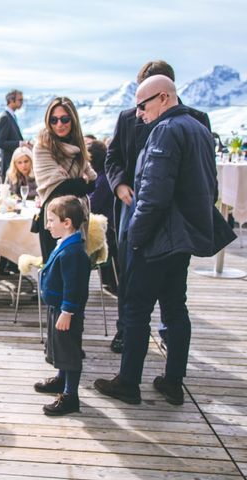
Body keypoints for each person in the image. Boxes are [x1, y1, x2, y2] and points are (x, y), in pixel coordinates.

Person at [94, 75, 234, 406]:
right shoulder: (199, 127)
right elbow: (208, 187)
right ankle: (173, 381)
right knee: (175, 307)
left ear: (163, 98)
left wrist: (135, 238)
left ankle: (128, 382)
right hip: (182, 239)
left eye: (142, 106)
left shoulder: (166, 131)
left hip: (157, 239)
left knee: (135, 309)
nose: (138, 114)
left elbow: (153, 195)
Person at [104, 60, 212, 354]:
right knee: (128, 276)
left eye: (145, 102)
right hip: (132, 206)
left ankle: (159, 340)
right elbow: (112, 159)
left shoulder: (196, 119)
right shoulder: (127, 118)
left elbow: (204, 173)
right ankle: (125, 331)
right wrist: (119, 185)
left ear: (165, 91)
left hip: (173, 217)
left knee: (171, 291)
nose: (141, 111)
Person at [34, 195, 91, 416]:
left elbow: (73, 286)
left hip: (66, 311)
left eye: (50, 221)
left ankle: (70, 396)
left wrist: (67, 311)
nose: (47, 225)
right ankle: (61, 379)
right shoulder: (65, 244)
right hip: (57, 308)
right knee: (59, 347)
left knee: (69, 351)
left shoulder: (73, 252)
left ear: (66, 223)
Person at [33, 97, 97, 263]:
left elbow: (92, 183)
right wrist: (80, 182)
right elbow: (58, 188)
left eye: (65, 119)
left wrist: (76, 183)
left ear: (73, 120)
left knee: (76, 273)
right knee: (55, 275)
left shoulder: (79, 145)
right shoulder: (42, 146)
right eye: (54, 120)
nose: (59, 124)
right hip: (54, 217)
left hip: (78, 218)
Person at [0, 146, 37, 276]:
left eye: (26, 161)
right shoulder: (11, 175)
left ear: (31, 161)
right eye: (19, 162)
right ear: (15, 164)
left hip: (32, 213)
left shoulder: (37, 174)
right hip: (15, 211)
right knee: (7, 230)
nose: (23, 165)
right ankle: (4, 266)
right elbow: (6, 195)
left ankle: (14, 264)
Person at [87, 140, 117, 291]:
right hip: (106, 225)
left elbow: (92, 205)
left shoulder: (102, 179)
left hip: (106, 229)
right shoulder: (103, 175)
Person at [0, 89, 29, 181]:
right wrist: (20, 144)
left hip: (15, 166)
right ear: (11, 101)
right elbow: (1, 143)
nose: (22, 102)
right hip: (9, 167)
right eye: (20, 100)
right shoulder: (5, 118)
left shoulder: (11, 117)